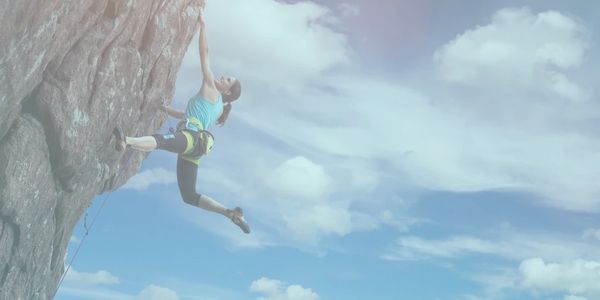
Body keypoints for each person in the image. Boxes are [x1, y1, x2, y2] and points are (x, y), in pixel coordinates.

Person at [113, 6, 249, 234]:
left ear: (227, 91)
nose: (222, 76)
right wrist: (166, 109)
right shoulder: (216, 107)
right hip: (196, 145)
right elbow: (189, 116)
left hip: (191, 139)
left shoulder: (210, 87)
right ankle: (229, 213)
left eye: (227, 79)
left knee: (162, 141)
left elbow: (204, 54)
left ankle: (126, 141)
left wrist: (203, 26)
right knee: (189, 195)